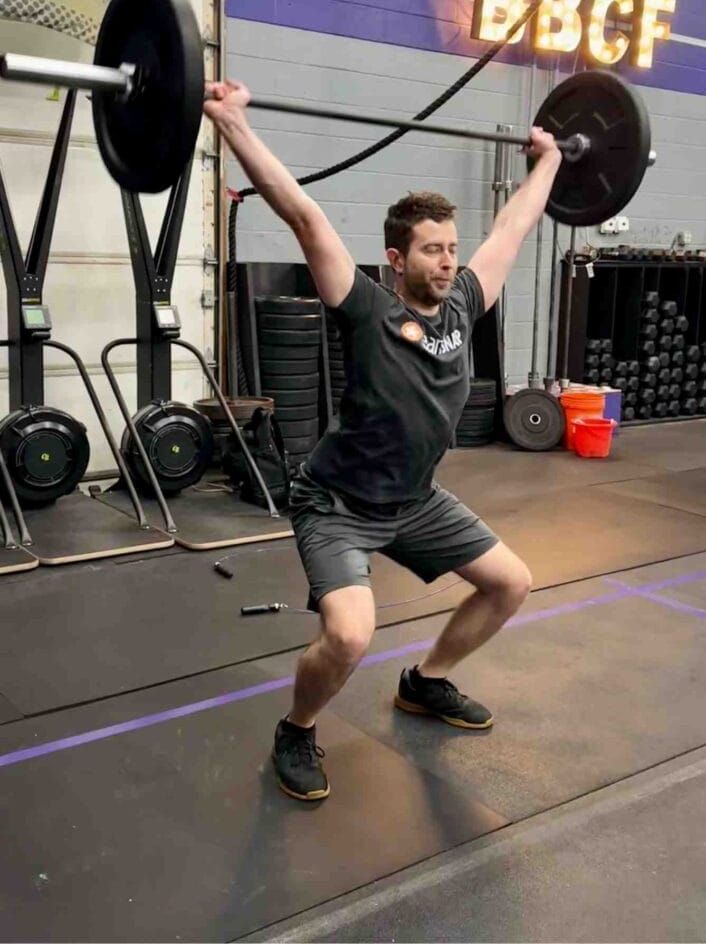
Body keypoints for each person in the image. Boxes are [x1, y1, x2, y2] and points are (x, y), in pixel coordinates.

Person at [204, 81, 563, 801]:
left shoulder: (462, 304)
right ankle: (297, 729)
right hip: (336, 502)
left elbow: (514, 230)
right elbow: (303, 217)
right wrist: (234, 126)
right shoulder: (366, 310)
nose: (447, 261)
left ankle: (425, 682)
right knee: (348, 637)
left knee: (511, 584)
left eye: (451, 249)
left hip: (414, 500)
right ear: (396, 259)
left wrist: (549, 160)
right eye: (431, 251)